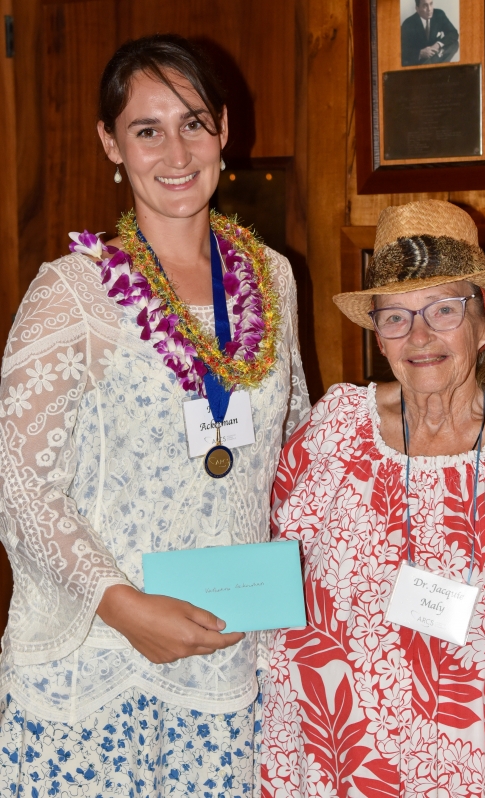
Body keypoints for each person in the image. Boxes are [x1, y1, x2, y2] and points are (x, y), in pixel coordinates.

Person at [0, 34, 309, 798]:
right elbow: (19, 486)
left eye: (194, 122)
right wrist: (123, 606)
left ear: (224, 131)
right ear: (112, 143)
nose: (176, 150)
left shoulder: (272, 276)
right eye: (147, 129)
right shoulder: (72, 293)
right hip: (93, 666)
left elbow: (295, 431)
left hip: (229, 657)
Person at [262, 199, 485, 797]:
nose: (419, 336)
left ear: (484, 323)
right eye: (396, 317)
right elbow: (270, 572)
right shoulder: (333, 431)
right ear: (379, 336)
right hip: (343, 765)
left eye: (444, 310)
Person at [401, 0, 459, 66]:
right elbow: (403, 51)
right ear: (417, 8)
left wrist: (438, 45)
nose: (429, 9)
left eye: (431, 4)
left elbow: (453, 33)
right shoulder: (408, 23)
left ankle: (438, 67)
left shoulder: (439, 14)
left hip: (436, 55)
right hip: (420, 61)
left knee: (455, 44)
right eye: (425, 6)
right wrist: (420, 53)